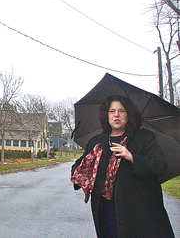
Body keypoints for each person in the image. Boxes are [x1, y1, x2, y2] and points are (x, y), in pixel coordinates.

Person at [71, 95, 174, 238]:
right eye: (112, 111)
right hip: (106, 211)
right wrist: (85, 169)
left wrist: (131, 157)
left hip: (138, 212)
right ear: (106, 115)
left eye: (122, 111)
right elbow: (78, 166)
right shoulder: (97, 142)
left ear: (129, 114)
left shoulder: (144, 138)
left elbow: (160, 166)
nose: (116, 115)